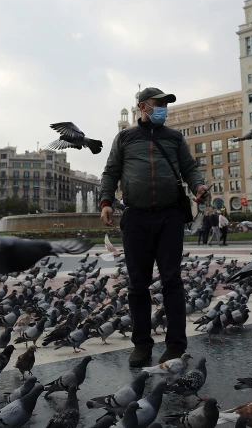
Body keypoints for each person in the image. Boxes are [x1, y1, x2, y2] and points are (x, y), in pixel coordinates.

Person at [100, 87, 208, 367]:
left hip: (170, 216)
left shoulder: (174, 138)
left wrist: (199, 186)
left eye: (165, 104)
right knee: (137, 285)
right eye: (157, 103)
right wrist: (106, 201)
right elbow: (111, 171)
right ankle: (142, 346)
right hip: (136, 217)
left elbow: (189, 168)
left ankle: (175, 345)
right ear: (142, 107)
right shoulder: (125, 137)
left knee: (172, 280)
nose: (162, 108)